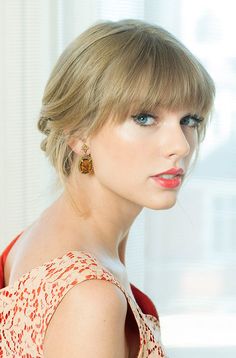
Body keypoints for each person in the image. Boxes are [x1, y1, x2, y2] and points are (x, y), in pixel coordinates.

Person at [0, 19, 215, 357]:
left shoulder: (49, 234)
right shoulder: (89, 297)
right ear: (78, 134)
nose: (181, 146)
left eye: (189, 120)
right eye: (144, 118)